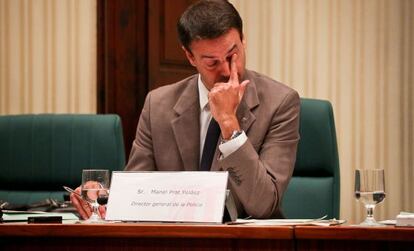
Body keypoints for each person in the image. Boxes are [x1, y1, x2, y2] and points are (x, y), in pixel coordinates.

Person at [72, 0, 300, 220]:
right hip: (176, 239)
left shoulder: (280, 103)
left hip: (246, 242)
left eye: (233, 55)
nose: (226, 70)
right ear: (190, 57)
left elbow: (264, 205)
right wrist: (104, 194)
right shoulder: (158, 105)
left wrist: (229, 124)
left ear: (244, 40)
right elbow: (137, 191)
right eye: (211, 62)